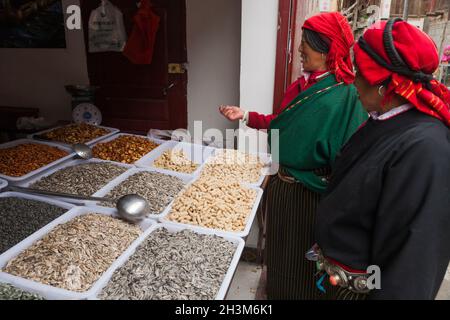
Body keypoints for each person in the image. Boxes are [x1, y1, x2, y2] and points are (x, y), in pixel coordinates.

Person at [220, 12, 367, 300]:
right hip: (282, 185)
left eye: (306, 44)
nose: (300, 49)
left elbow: (349, 155)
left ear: (327, 49)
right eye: (301, 42)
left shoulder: (346, 95)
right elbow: (283, 124)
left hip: (310, 194)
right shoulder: (302, 86)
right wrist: (247, 115)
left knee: (302, 260)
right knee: (279, 252)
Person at [313, 18, 450, 300]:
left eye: (360, 73)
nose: (353, 82)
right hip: (336, 283)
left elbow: (413, 261)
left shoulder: (425, 150)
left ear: (385, 85)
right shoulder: (385, 123)